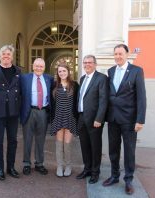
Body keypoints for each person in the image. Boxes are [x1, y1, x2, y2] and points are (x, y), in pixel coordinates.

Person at [102, 44, 146, 195]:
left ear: (127, 54)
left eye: (120, 54)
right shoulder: (111, 71)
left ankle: (128, 180)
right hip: (113, 118)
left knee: (129, 151)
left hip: (129, 119)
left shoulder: (136, 71)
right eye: (115, 54)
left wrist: (140, 120)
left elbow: (141, 97)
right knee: (113, 150)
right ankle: (114, 176)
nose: (118, 57)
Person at [0, 44, 21, 181]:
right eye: (3, 54)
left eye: (8, 54)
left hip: (13, 112)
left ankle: (11, 167)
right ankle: (0, 168)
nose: (6, 56)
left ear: (12, 57)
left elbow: (21, 90)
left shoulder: (18, 70)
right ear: (0, 56)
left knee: (13, 140)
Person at [76, 55, 108, 184]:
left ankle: (95, 172)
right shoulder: (83, 78)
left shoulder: (101, 78)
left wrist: (99, 118)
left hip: (95, 119)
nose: (87, 65)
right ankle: (87, 169)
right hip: (82, 117)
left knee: (95, 147)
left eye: (90, 62)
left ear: (95, 64)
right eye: (85, 62)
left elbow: (103, 100)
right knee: (84, 146)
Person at [20, 58, 54, 176]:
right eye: (36, 66)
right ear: (32, 66)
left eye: (41, 66)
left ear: (44, 68)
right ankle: (26, 164)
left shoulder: (49, 78)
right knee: (27, 139)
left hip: (43, 112)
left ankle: (39, 163)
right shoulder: (24, 78)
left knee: (41, 139)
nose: (38, 68)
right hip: (29, 111)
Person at [50, 63, 79, 177]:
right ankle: (59, 166)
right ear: (57, 73)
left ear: (68, 72)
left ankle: (68, 166)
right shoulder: (54, 85)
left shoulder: (74, 85)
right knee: (59, 143)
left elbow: (77, 102)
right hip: (58, 117)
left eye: (64, 71)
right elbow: (52, 103)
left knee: (67, 144)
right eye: (60, 71)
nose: (62, 73)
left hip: (70, 117)